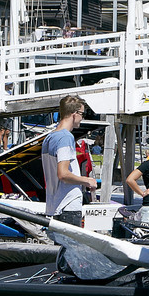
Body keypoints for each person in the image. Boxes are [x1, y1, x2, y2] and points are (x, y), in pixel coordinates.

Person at [41, 94, 99, 225]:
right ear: (75, 114)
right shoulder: (66, 138)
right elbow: (63, 174)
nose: (82, 119)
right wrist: (87, 180)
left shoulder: (48, 138)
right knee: (71, 246)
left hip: (54, 206)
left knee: (60, 246)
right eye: (82, 115)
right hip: (68, 206)